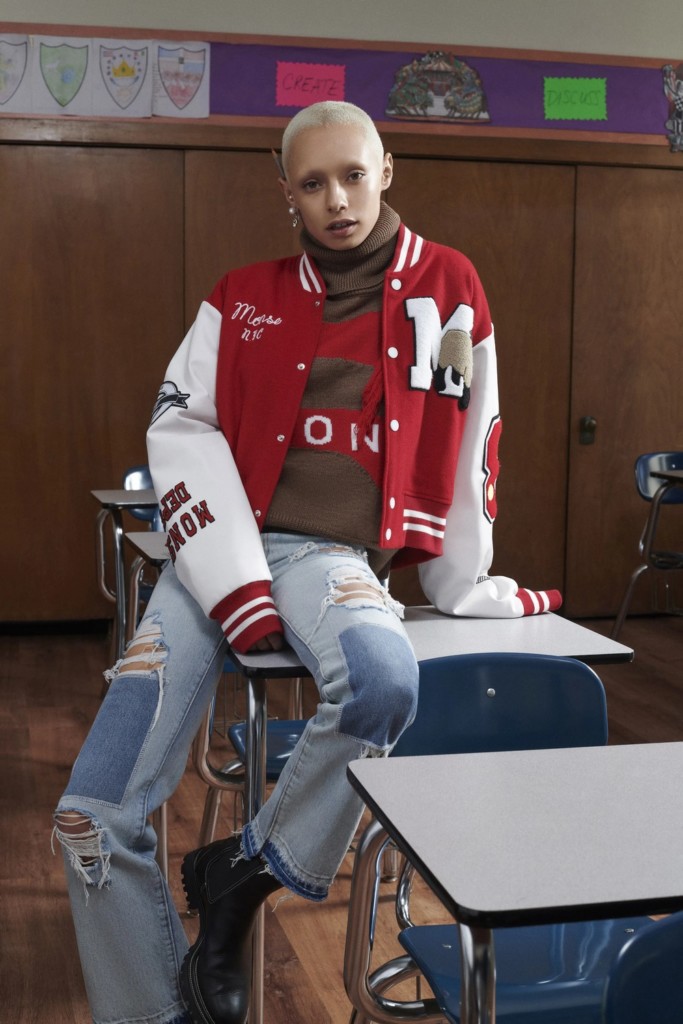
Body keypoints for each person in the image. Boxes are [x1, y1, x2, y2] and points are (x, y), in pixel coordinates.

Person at [54, 100, 561, 1024]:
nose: (337, 200)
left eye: (353, 175)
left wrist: (460, 578)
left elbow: (473, 434)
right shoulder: (240, 295)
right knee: (90, 817)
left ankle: (244, 871)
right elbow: (180, 429)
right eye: (313, 182)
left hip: (327, 557)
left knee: (383, 681)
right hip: (208, 560)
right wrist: (235, 586)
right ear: (284, 189)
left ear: (386, 170)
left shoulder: (449, 285)